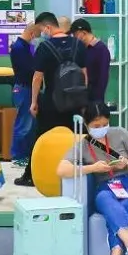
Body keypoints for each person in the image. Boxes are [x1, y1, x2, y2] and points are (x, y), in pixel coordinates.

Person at [56, 102, 128, 255]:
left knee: (118, 211)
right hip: (106, 187)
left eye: (105, 124)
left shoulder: (120, 133)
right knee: (105, 200)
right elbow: (61, 169)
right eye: (96, 126)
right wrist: (92, 168)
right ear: (87, 125)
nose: (101, 129)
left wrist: (127, 163)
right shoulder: (83, 145)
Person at [16, 12, 87, 186]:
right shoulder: (78, 44)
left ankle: (30, 175)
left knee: (41, 138)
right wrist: (82, 98)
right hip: (75, 101)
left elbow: (37, 78)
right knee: (79, 136)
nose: (42, 33)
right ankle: (86, 171)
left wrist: (34, 102)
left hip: (52, 102)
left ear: (48, 27)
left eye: (42, 30)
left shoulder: (45, 47)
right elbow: (84, 74)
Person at [10, 24, 39, 165]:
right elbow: (29, 70)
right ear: (32, 33)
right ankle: (18, 157)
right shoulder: (19, 48)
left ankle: (24, 155)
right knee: (24, 125)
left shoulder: (24, 46)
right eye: (36, 36)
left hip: (26, 89)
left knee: (29, 125)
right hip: (24, 88)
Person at [69, 18, 111, 102]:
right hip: (81, 96)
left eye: (75, 35)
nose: (74, 38)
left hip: (94, 97)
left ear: (84, 33)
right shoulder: (80, 49)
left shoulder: (101, 49)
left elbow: (103, 77)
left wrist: (98, 100)